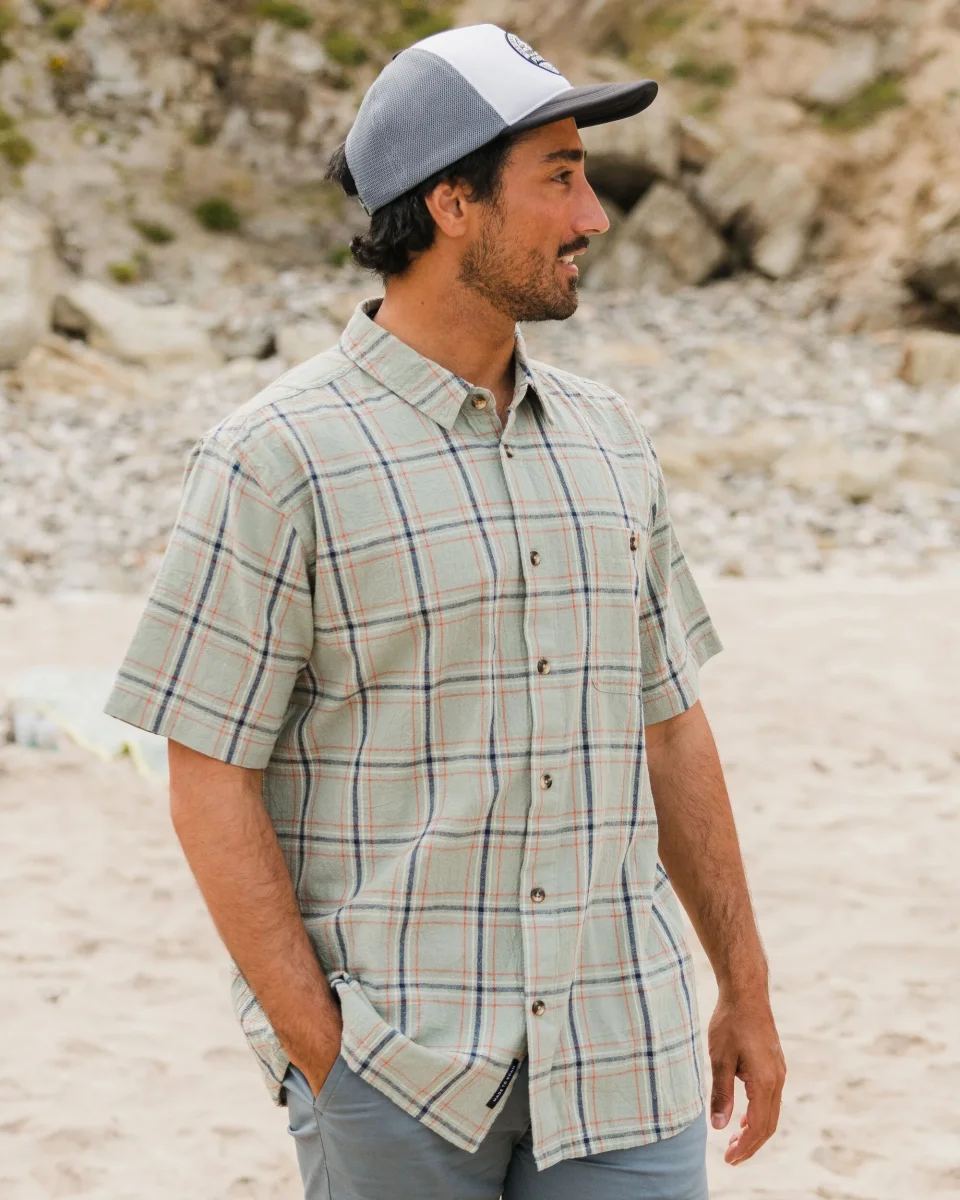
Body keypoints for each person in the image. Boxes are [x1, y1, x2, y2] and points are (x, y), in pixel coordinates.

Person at [103, 22, 786, 1200]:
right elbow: (207, 772)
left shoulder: (611, 441)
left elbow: (671, 726)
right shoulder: (275, 460)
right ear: (452, 202)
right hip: (400, 1078)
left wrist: (747, 987)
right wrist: (324, 1052)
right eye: (559, 178)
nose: (594, 217)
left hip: (623, 1060)